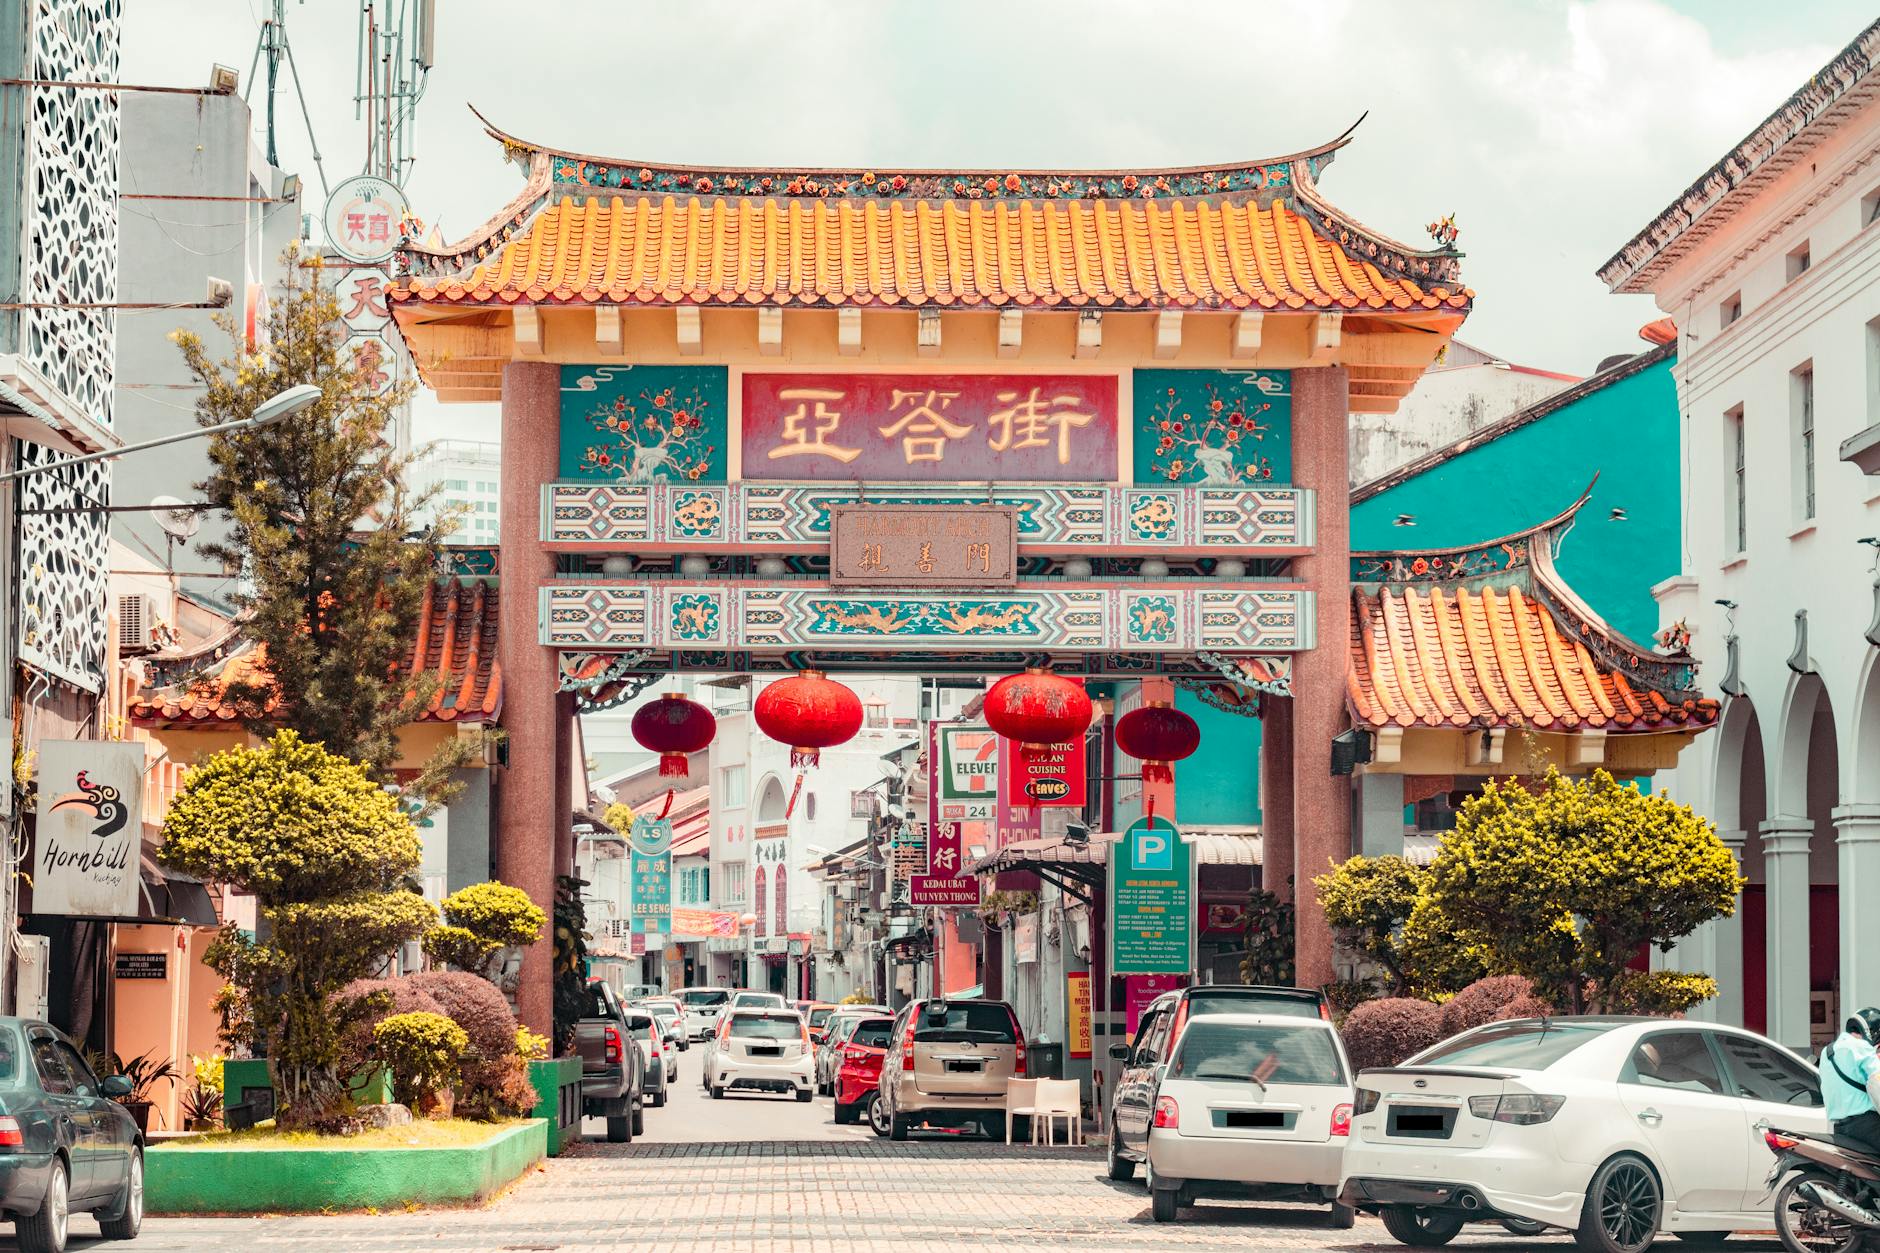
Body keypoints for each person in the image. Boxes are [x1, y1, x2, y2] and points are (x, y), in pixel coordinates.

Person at [1821, 1007, 1880, 1158]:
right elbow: (1877, 1082)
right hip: (1867, 1126)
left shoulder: (1827, 1051)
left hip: (1839, 1127)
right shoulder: (1862, 1047)